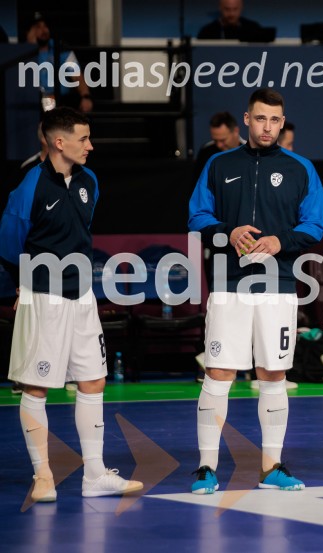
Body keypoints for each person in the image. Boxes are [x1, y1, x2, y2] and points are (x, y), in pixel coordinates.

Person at [0, 107, 143, 502]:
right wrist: (24, 284)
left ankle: (94, 474)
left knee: (93, 380)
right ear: (58, 142)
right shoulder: (29, 187)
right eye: (83, 138)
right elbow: (10, 245)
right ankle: (43, 475)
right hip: (42, 297)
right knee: (37, 386)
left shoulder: (89, 180)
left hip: (82, 297)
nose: (90, 146)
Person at [188, 88, 323, 494]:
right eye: (260, 118)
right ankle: (206, 468)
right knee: (219, 373)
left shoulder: (301, 169)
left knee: (273, 373)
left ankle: (272, 467)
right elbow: (197, 216)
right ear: (246, 120)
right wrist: (226, 233)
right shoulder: (218, 164)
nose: (268, 127)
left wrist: (281, 242)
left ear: (283, 124)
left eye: (275, 120)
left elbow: (315, 226)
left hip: (278, 287)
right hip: (229, 284)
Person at [25, 12, 93, 112]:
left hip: (61, 100)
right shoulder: (23, 53)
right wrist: (31, 48)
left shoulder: (61, 48)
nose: (43, 30)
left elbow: (77, 75)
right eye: (38, 27)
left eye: (45, 26)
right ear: (29, 32)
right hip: (35, 103)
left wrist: (86, 96)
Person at [194, 111, 245, 180]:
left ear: (236, 131)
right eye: (215, 140)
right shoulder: (206, 151)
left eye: (222, 140)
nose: (219, 145)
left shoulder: (250, 151)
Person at [197, 0, 268, 41]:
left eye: (235, 9)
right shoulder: (207, 32)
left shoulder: (253, 28)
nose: (231, 14)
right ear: (220, 8)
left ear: (241, 8)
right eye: (227, 9)